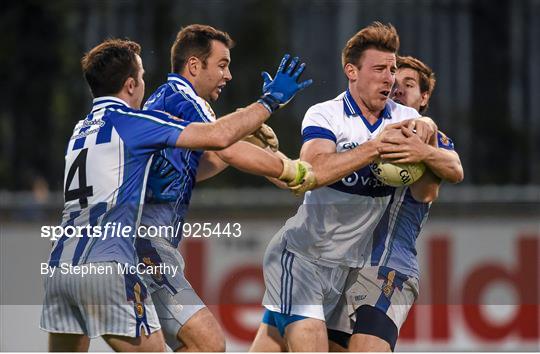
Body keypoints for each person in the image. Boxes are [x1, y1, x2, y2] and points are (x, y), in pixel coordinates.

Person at [40, 38, 312, 352]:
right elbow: (219, 136)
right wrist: (269, 102)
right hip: (108, 265)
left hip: (60, 268)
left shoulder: (80, 131)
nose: (145, 86)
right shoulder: (134, 123)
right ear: (130, 86)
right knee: (207, 343)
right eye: (142, 78)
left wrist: (240, 132)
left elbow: (193, 161)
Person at [250, 22, 439, 352]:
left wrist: (427, 127)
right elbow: (314, 170)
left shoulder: (404, 117)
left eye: (392, 69)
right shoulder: (326, 115)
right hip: (300, 257)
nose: (389, 78)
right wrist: (374, 147)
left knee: (269, 346)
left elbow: (435, 161)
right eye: (379, 68)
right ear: (351, 71)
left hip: (346, 272)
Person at [134, 24, 316, 352]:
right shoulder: (185, 99)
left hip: (140, 243)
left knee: (183, 345)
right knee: (210, 343)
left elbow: (200, 167)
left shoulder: (167, 100)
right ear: (193, 66)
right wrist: (291, 169)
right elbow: (226, 146)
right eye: (221, 64)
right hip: (147, 245)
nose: (228, 75)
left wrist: (243, 136)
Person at [325, 55, 464, 352]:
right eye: (394, 81)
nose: (397, 88)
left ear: (424, 97)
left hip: (388, 267)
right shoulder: (367, 131)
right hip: (341, 267)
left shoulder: (430, 139)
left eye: (409, 84)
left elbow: (454, 170)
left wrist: (423, 152)